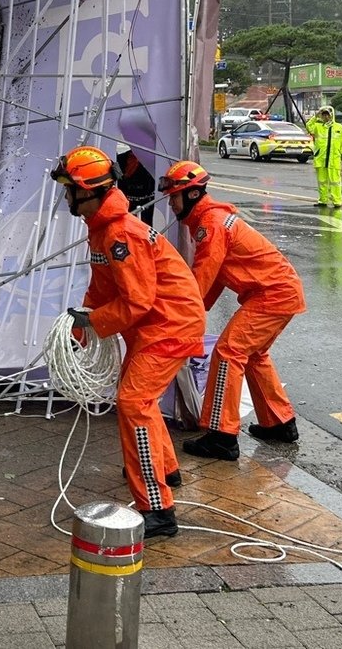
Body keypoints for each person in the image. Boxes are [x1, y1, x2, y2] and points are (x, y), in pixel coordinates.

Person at [52, 145, 205, 539]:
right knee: (141, 399)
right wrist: (79, 329)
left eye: (69, 188)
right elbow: (102, 290)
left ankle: (156, 507)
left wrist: (96, 323)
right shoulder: (103, 229)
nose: (65, 196)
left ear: (88, 191)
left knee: (134, 402)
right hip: (159, 323)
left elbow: (137, 301)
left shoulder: (120, 233)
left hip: (168, 324)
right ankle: (164, 468)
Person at [158, 161, 305, 461]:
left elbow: (203, 275)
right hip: (279, 291)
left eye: (174, 196)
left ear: (193, 195)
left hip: (271, 294)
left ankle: (222, 436)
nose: (171, 203)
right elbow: (214, 279)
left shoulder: (210, 225)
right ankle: (279, 422)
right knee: (253, 355)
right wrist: (195, 311)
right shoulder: (211, 220)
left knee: (228, 352)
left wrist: (180, 314)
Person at [305, 105, 342, 208]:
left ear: (331, 115)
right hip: (321, 159)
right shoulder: (317, 127)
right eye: (323, 115)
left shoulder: (338, 128)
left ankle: (337, 202)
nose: (325, 117)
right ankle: (323, 201)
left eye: (327, 115)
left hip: (334, 159)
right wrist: (315, 116)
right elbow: (308, 126)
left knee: (335, 182)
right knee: (322, 182)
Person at [114, 142, 156, 227]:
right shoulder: (119, 160)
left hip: (150, 206)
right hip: (126, 206)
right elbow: (116, 179)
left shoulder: (156, 162)